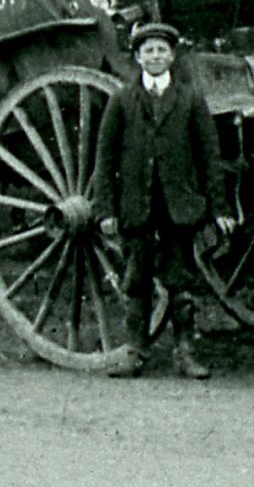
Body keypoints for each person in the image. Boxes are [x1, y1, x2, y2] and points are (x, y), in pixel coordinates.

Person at [96, 20, 230, 379]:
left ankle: (185, 352)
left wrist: (219, 208)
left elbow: (209, 157)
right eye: (148, 50)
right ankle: (135, 351)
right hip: (138, 204)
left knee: (181, 278)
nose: (155, 56)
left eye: (161, 50)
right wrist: (105, 209)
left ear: (172, 56)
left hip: (178, 204)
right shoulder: (122, 100)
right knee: (136, 277)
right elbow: (105, 160)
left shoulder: (189, 99)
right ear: (138, 57)